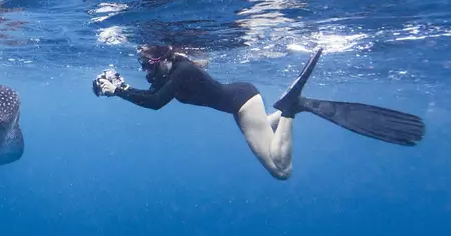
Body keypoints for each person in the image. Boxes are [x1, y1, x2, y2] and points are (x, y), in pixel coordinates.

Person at [93, 45, 425, 180]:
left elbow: (154, 104)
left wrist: (120, 92)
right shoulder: (169, 72)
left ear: (163, 59)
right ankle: (294, 110)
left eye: (147, 65)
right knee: (264, 128)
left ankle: (292, 108)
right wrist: (120, 89)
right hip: (240, 104)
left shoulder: (181, 71)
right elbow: (150, 95)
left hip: (241, 103)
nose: (145, 71)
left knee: (282, 170)